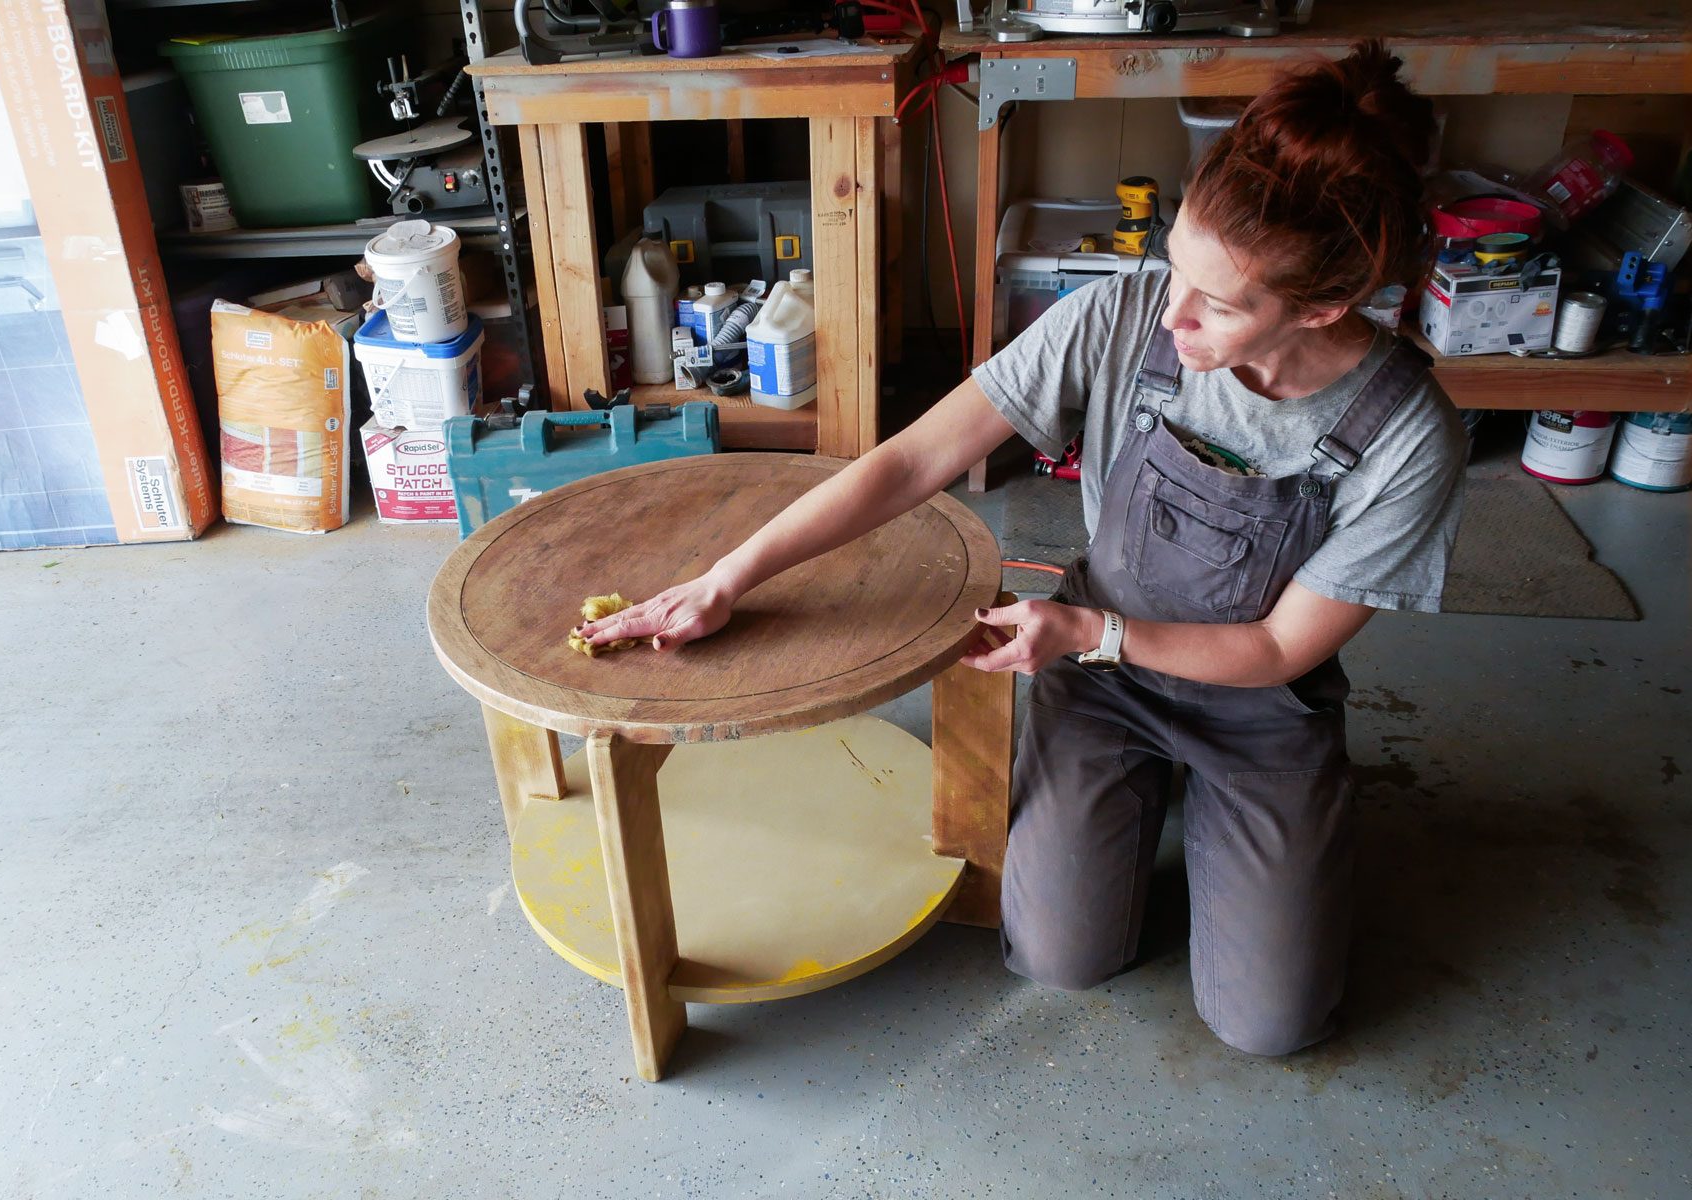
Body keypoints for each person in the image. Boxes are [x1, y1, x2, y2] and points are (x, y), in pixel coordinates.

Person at [576, 39, 1467, 1057]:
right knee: (1059, 955)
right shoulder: (1124, 317)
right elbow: (912, 462)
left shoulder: (1406, 435)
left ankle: (1256, 821)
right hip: (1099, 676)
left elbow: (1277, 652)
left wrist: (1093, 627)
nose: (1170, 311)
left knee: (1269, 1026)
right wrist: (727, 577)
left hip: (1258, 707)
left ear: (1321, 306)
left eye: (1217, 305)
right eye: (1176, 265)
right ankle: (1129, 794)